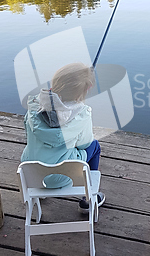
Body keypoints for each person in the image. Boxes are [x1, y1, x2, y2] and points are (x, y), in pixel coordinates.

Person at [21, 62, 105, 213]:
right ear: (86, 89)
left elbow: (29, 134)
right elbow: (84, 145)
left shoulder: (34, 106)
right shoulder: (82, 114)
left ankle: (40, 191)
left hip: (31, 173)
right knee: (95, 146)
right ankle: (89, 198)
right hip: (63, 176)